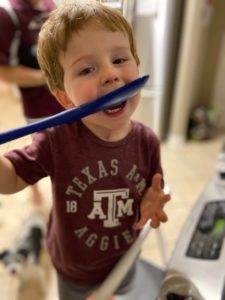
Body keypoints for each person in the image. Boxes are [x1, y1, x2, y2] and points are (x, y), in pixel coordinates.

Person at [0, 0, 171, 299]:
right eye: (88, 69)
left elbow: (153, 186)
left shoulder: (147, 141)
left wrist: (151, 201)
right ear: (65, 99)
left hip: (124, 261)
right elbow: (11, 178)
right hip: (74, 271)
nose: (110, 74)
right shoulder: (56, 139)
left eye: (119, 60)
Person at [0, 0, 64, 204]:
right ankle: (33, 189)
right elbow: (4, 71)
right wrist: (47, 78)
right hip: (37, 103)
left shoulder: (51, 5)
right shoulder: (7, 13)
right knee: (39, 148)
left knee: (67, 148)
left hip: (67, 96)